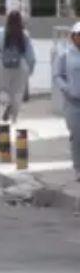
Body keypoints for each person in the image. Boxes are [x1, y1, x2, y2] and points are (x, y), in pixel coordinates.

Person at [51, 22, 80, 182]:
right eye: (79, 35)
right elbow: (57, 75)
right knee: (77, 136)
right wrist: (66, 88)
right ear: (73, 36)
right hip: (73, 103)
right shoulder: (65, 54)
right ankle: (78, 167)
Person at [0, 10, 36, 122]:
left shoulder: (0, 32)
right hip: (20, 66)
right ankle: (14, 118)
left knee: (3, 89)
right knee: (18, 92)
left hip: (3, 65)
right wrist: (30, 70)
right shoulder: (24, 35)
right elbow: (31, 57)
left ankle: (6, 104)